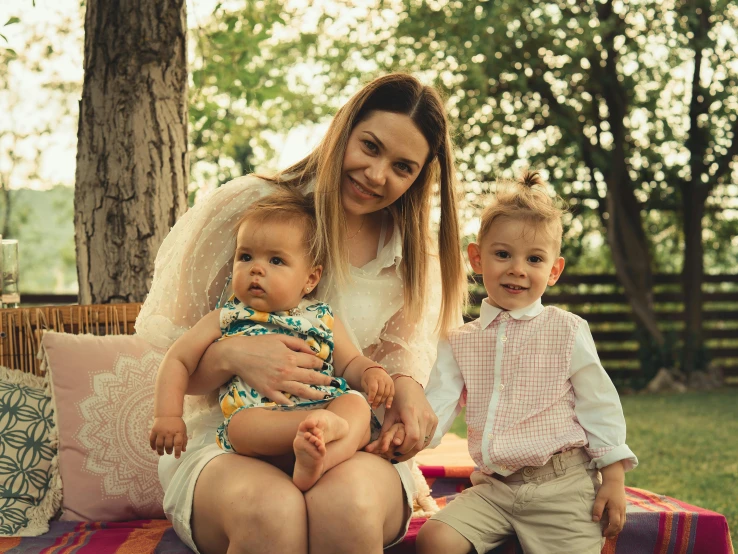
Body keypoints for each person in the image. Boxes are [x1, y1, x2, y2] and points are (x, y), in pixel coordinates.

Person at [135, 73, 466, 554]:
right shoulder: (251, 210)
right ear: (344, 130)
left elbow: (394, 369)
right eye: (369, 147)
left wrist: (408, 400)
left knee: (347, 505)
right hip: (233, 434)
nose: (377, 175)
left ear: (421, 176)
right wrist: (235, 356)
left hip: (342, 440)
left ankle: (323, 451)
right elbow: (179, 366)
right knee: (270, 510)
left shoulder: (411, 254)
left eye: (402, 167)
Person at [416, 171, 638, 554]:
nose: (517, 268)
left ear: (553, 271)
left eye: (534, 259)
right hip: (493, 490)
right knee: (435, 538)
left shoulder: (566, 330)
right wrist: (405, 441)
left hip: (562, 487)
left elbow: (598, 403)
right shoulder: (460, 340)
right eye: (502, 254)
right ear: (477, 258)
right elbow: (436, 405)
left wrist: (613, 479)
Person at [149, 189, 394, 492]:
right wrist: (167, 415)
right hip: (262, 421)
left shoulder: (322, 317)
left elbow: (351, 363)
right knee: (239, 428)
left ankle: (319, 460)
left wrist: (371, 372)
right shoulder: (226, 317)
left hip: (323, 408)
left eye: (276, 260)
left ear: (311, 279)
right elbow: (178, 360)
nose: (256, 268)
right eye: (246, 256)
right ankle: (314, 436)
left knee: (354, 405)